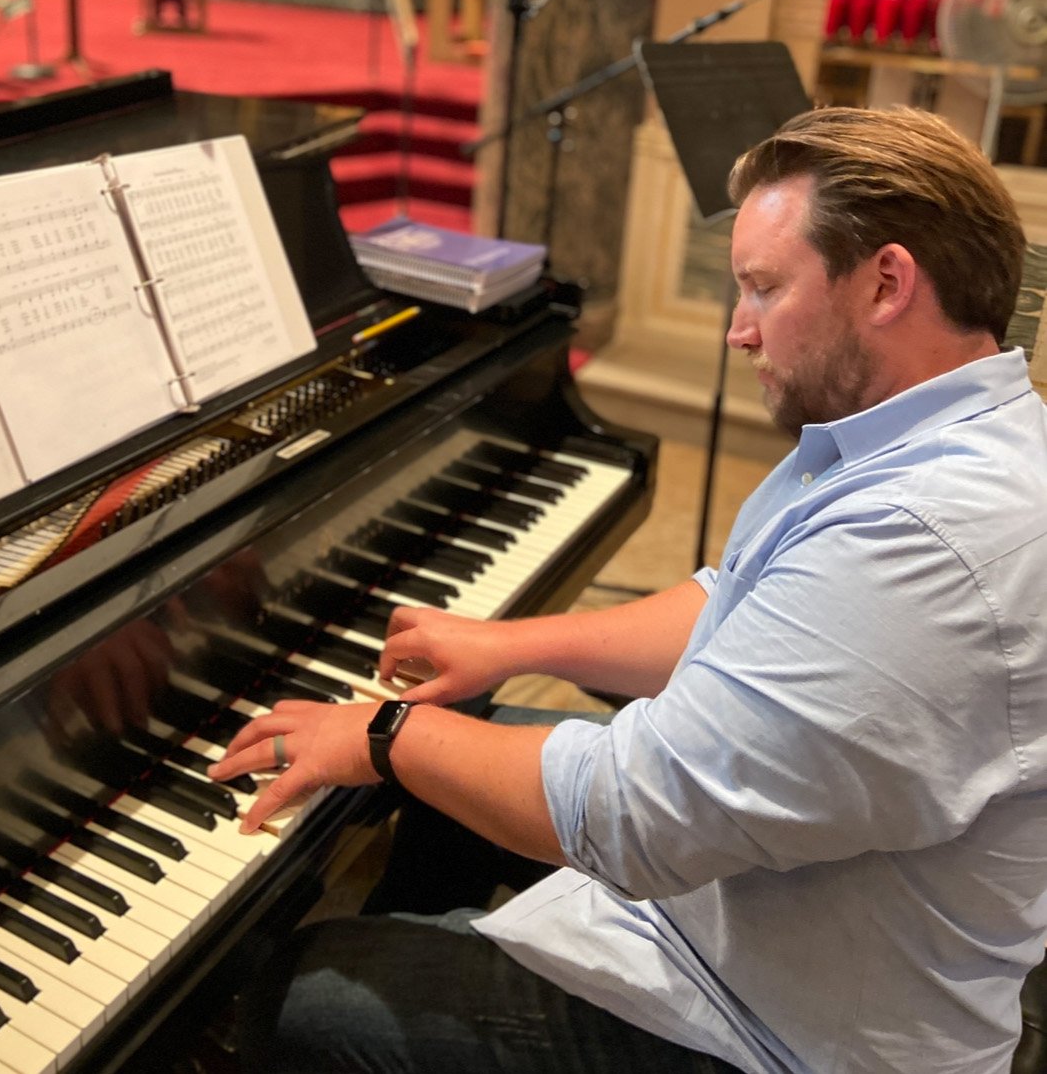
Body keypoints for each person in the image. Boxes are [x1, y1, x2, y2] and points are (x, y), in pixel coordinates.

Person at [210, 105, 1047, 1074]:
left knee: (299, 991)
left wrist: (383, 737)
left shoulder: (928, 535)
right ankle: (446, 946)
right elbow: (734, 603)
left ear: (887, 282)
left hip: (778, 1032)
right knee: (464, 761)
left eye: (763, 289)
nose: (739, 329)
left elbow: (634, 816)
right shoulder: (921, 439)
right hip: (749, 934)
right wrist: (516, 643)